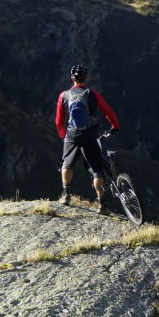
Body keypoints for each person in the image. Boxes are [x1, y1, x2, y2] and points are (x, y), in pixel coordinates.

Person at [55, 64, 120, 214]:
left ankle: (66, 195)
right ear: (86, 78)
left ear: (72, 78)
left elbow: (59, 120)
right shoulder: (92, 94)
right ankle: (102, 204)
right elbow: (109, 112)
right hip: (90, 136)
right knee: (97, 171)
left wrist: (64, 136)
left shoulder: (63, 95)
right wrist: (115, 126)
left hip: (71, 136)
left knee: (67, 164)